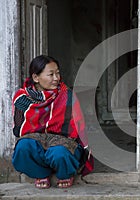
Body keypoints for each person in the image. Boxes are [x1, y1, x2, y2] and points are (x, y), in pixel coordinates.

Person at [12, 55, 94, 189]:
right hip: (35, 140)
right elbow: (18, 129)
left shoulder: (66, 95)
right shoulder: (22, 97)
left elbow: (77, 129)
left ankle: (65, 173)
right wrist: (39, 138)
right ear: (36, 78)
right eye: (51, 74)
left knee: (59, 153)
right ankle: (41, 172)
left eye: (57, 73)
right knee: (23, 148)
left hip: (62, 141)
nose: (56, 78)